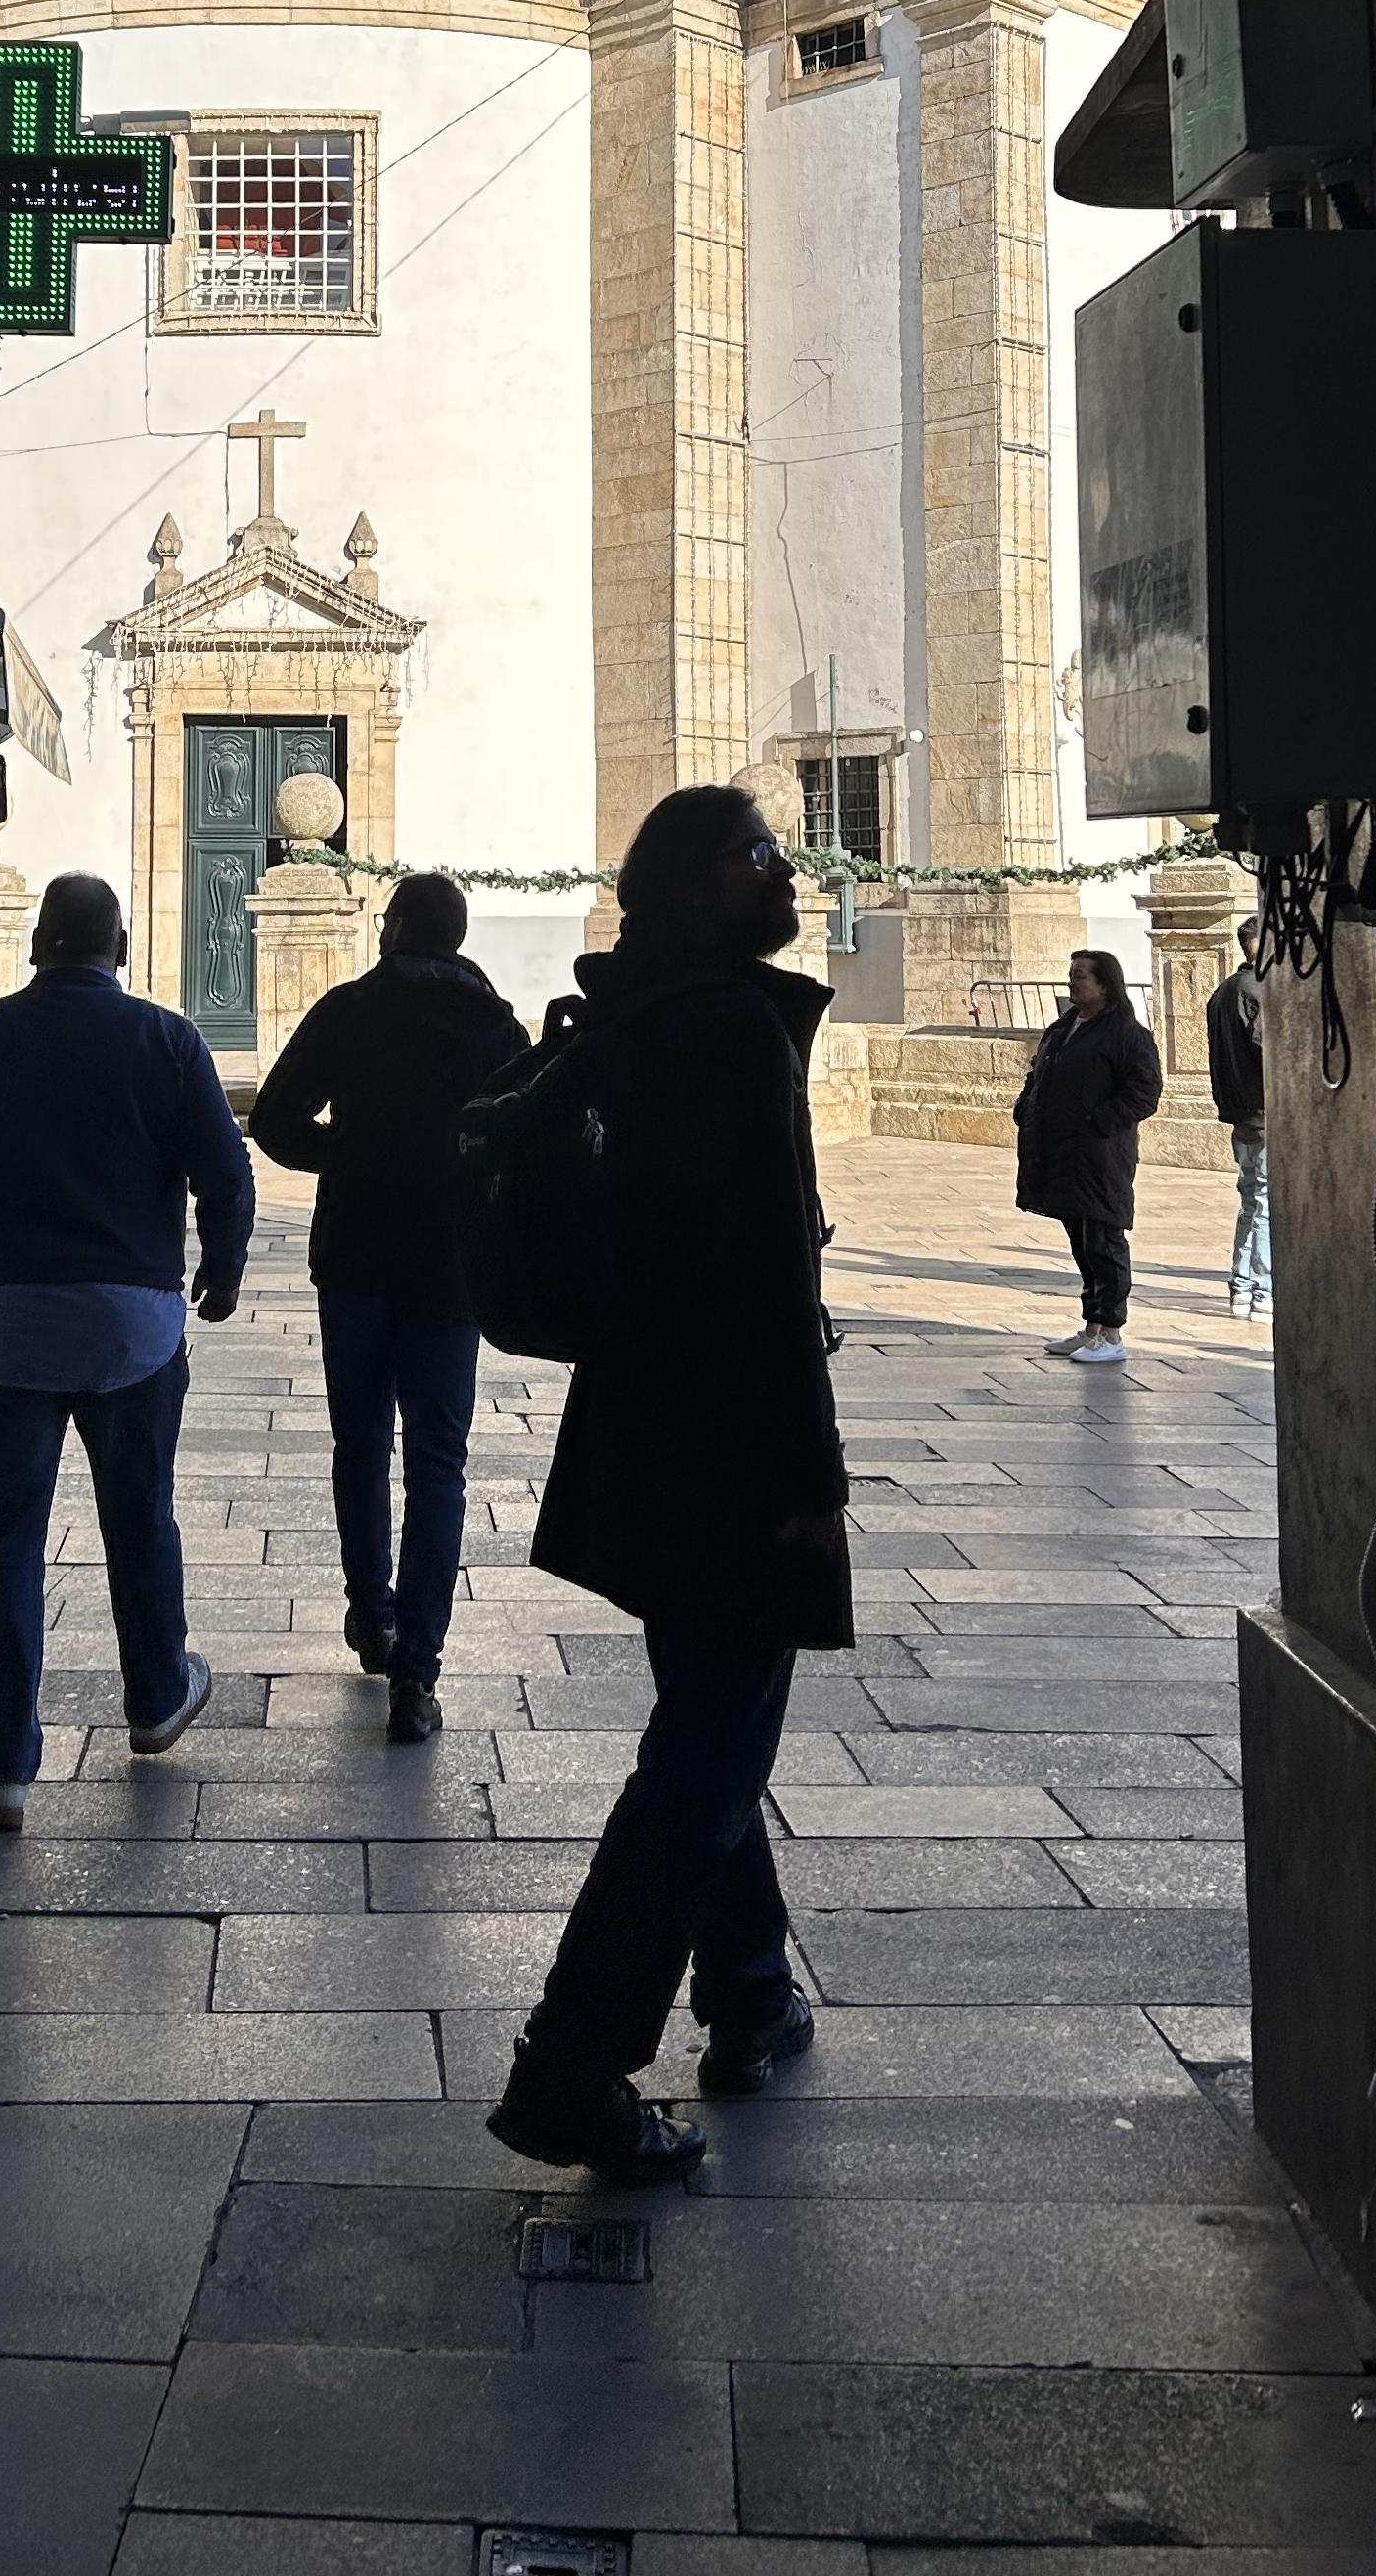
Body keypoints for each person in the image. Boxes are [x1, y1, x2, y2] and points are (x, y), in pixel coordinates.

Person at [488, 784, 849, 2190]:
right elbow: (764, 1273)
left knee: (713, 1727)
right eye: (760, 852)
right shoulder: (728, 1030)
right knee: (702, 1760)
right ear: (702, 883)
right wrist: (809, 1477)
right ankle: (572, 2063)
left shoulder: (631, 1010)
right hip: (727, 1445)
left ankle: (752, 1988)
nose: (786, 868)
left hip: (644, 1434)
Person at [0, 872, 252, 1834]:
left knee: (6, 1533)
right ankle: (155, 1696)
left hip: (8, 1318)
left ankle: (3, 1766)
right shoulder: (169, 1039)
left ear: (36, 943)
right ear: (123, 948)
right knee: (139, 1517)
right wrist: (221, 1273)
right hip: (130, 1320)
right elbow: (226, 1175)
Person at [249, 871, 527, 1745]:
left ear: (397, 928)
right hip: (449, 1272)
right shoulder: (497, 1027)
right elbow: (516, 1148)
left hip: (359, 1262)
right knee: (439, 1465)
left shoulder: (349, 1011)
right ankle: (419, 1678)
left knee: (361, 1443)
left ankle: (372, 1616)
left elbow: (274, 1120)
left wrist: (353, 1154)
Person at [1015, 947, 1164, 1366]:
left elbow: (1143, 1091)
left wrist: (1098, 1121)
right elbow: (1037, 1075)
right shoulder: (1063, 1029)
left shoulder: (1126, 1034)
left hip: (1099, 1157)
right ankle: (1093, 1324)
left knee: (1103, 1239)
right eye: (1071, 974)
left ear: (1104, 984)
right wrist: (1026, 1106)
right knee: (1080, 1241)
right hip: (1061, 1154)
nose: (1072, 982)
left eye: (1081, 976)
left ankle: (1112, 1330)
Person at [1205, 914, 1270, 1321]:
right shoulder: (1260, 991)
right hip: (1265, 1115)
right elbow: (1270, 1051)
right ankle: (1263, 1291)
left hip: (1241, 1117)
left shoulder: (1222, 992)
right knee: (1265, 1204)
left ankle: (1242, 1287)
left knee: (1252, 1199)